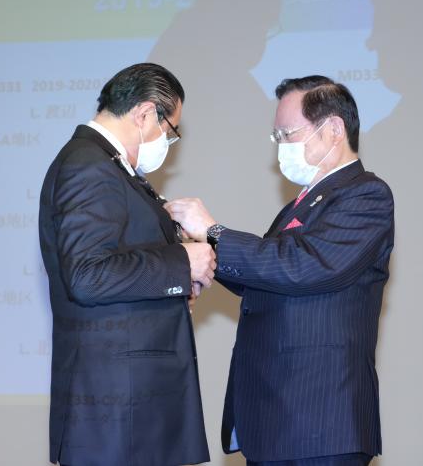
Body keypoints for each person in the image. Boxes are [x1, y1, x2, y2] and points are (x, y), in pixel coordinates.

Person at [166, 76, 394, 466]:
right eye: (277, 137)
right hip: (278, 417)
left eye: (288, 134)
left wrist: (214, 231)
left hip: (319, 418)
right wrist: (203, 251)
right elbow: (267, 275)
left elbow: (303, 265)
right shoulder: (303, 203)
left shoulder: (365, 194)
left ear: (333, 129)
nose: (281, 147)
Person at [38, 63, 214, 466]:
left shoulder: (110, 165)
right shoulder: (89, 165)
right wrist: (180, 262)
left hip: (131, 408)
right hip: (117, 410)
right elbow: (87, 276)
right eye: (170, 130)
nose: (168, 141)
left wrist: (175, 282)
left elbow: (115, 266)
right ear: (145, 113)